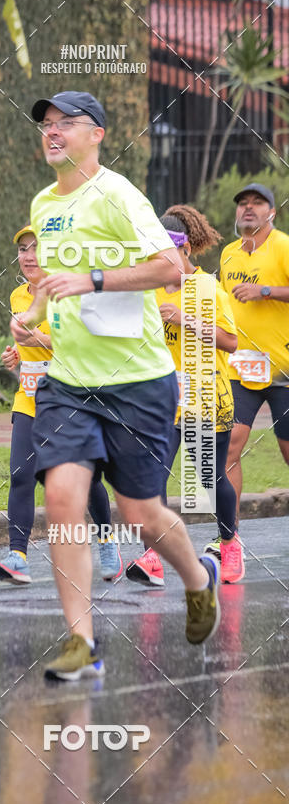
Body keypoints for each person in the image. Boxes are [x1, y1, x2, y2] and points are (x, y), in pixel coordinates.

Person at [11, 90, 221, 682]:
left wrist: (96, 279)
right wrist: (33, 316)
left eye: (66, 124)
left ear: (97, 133)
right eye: (47, 125)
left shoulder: (119, 192)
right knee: (62, 501)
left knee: (141, 512)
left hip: (138, 380)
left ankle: (198, 577)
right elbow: (57, 285)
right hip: (69, 381)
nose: (53, 132)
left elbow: (170, 268)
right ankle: (82, 642)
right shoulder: (44, 203)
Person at [0, 225, 120, 585]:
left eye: (36, 248)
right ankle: (18, 555)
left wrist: (37, 338)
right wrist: (17, 353)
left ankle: (107, 539)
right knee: (21, 475)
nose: (28, 256)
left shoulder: (66, 293)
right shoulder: (18, 295)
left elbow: (80, 344)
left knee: (86, 476)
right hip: (29, 396)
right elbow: (29, 342)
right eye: (23, 250)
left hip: (69, 398)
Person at [125, 205, 244, 588]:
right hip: (163, 399)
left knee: (209, 481)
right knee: (154, 476)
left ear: (186, 250)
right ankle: (155, 557)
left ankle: (230, 543)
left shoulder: (207, 288)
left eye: (167, 251)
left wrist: (183, 319)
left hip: (207, 397)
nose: (160, 259)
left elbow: (230, 342)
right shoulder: (152, 289)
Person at [219, 183, 289, 521]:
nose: (249, 208)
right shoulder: (229, 252)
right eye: (243, 203)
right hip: (241, 368)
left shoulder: (283, 246)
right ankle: (229, 540)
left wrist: (265, 290)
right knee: (229, 446)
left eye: (257, 203)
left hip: (283, 368)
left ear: (271, 212)